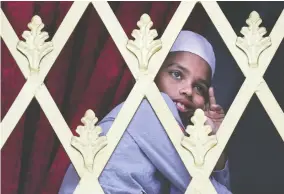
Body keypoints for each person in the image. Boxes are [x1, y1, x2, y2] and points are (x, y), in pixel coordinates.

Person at [59, 31, 231, 193]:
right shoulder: (145, 111)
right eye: (177, 75)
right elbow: (203, 187)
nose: (188, 90)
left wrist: (216, 144)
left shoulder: (175, 136)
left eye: (199, 87)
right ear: (154, 74)